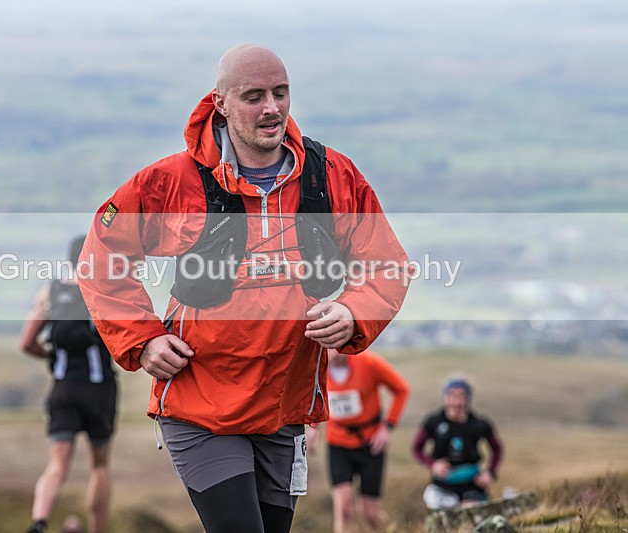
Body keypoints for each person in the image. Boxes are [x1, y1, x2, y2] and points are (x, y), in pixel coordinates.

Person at [78, 44, 410, 533]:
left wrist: (354, 312)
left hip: (284, 407)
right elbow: (101, 255)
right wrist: (142, 337)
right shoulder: (173, 181)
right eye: (254, 96)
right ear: (221, 103)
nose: (272, 107)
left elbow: (387, 264)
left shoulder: (330, 175)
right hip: (199, 403)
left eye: (280, 93)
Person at [21, 235, 117, 533]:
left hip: (63, 388)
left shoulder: (50, 291)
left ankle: (39, 521)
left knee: (57, 464)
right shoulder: (106, 290)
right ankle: (97, 528)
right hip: (99, 388)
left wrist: (51, 357)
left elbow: (27, 343)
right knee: (99, 465)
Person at [314, 349, 409, 532]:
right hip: (338, 443)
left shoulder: (369, 362)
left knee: (369, 512)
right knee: (343, 509)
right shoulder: (317, 367)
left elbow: (401, 389)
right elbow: (310, 398)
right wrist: (312, 428)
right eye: (328, 346)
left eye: (338, 344)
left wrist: (387, 427)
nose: (334, 352)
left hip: (371, 444)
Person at [411, 377, 503, 510]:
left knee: (469, 516)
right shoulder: (433, 422)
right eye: (451, 395)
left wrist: (490, 473)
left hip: (472, 485)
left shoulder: (480, 424)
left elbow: (497, 449)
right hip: (442, 485)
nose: (456, 401)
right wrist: (433, 464)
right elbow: (416, 448)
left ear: (468, 399)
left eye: (461, 396)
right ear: (445, 398)